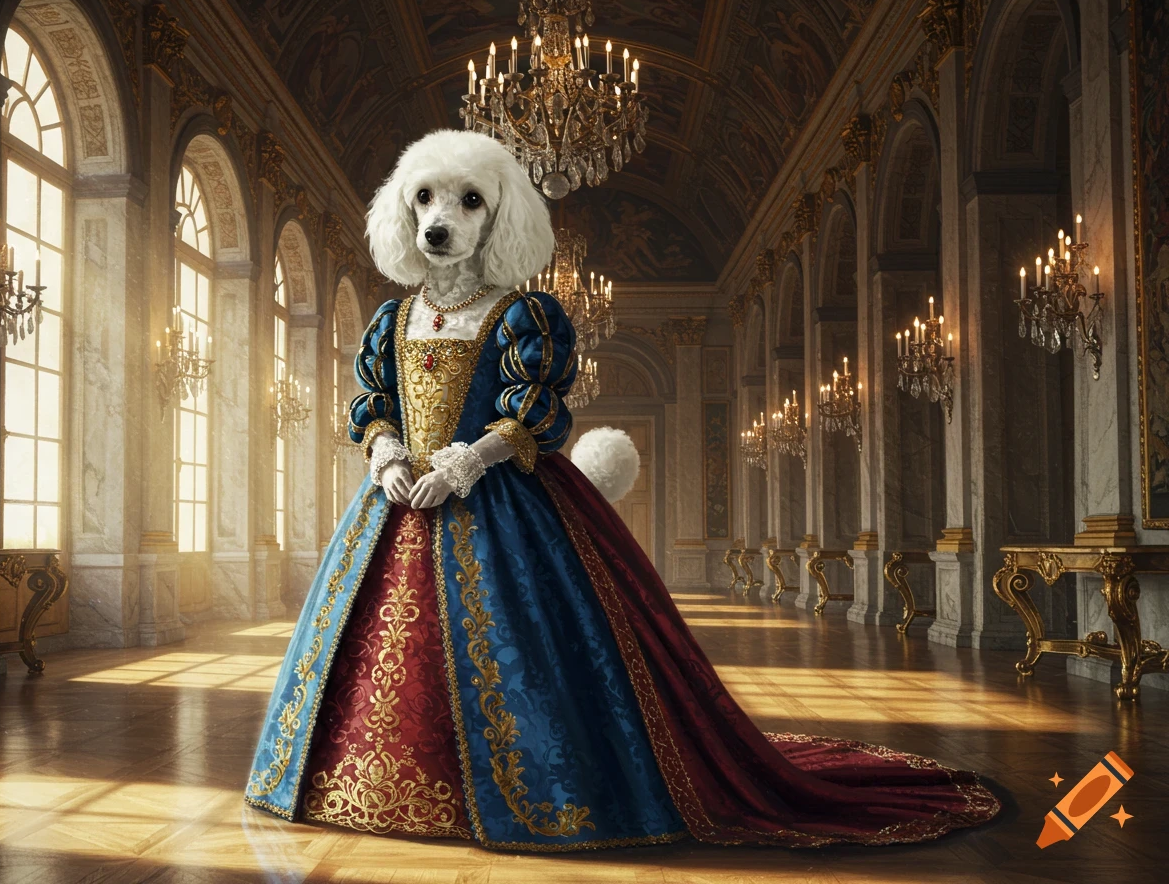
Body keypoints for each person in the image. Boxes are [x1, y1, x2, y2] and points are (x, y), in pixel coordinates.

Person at [244, 130, 1000, 850]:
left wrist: (467, 464)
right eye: (426, 200)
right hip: (399, 501)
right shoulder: (391, 319)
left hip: (502, 498)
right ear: (405, 209)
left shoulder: (524, 316)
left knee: (540, 652)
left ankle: (553, 790)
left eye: (468, 201)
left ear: (500, 213)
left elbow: (536, 413)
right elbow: (374, 402)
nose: (442, 222)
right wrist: (384, 454)